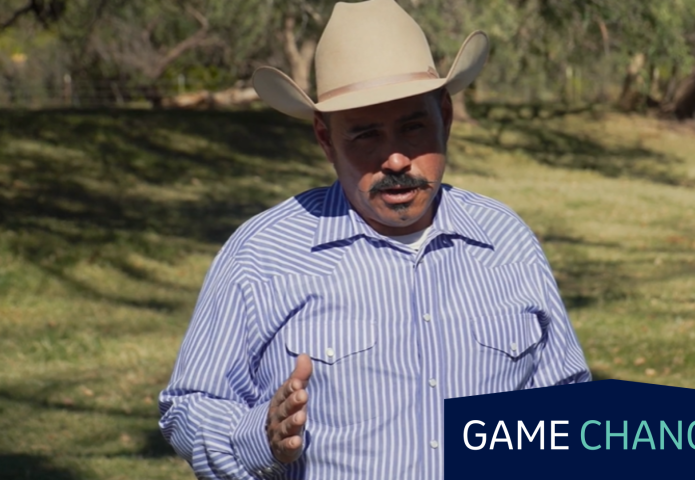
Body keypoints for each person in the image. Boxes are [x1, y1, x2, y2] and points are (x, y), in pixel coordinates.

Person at [158, 0, 590, 479]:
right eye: (366, 135)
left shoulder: (506, 239)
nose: (397, 160)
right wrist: (261, 435)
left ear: (444, 116)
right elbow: (189, 406)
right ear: (325, 138)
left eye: (413, 126)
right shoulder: (263, 254)